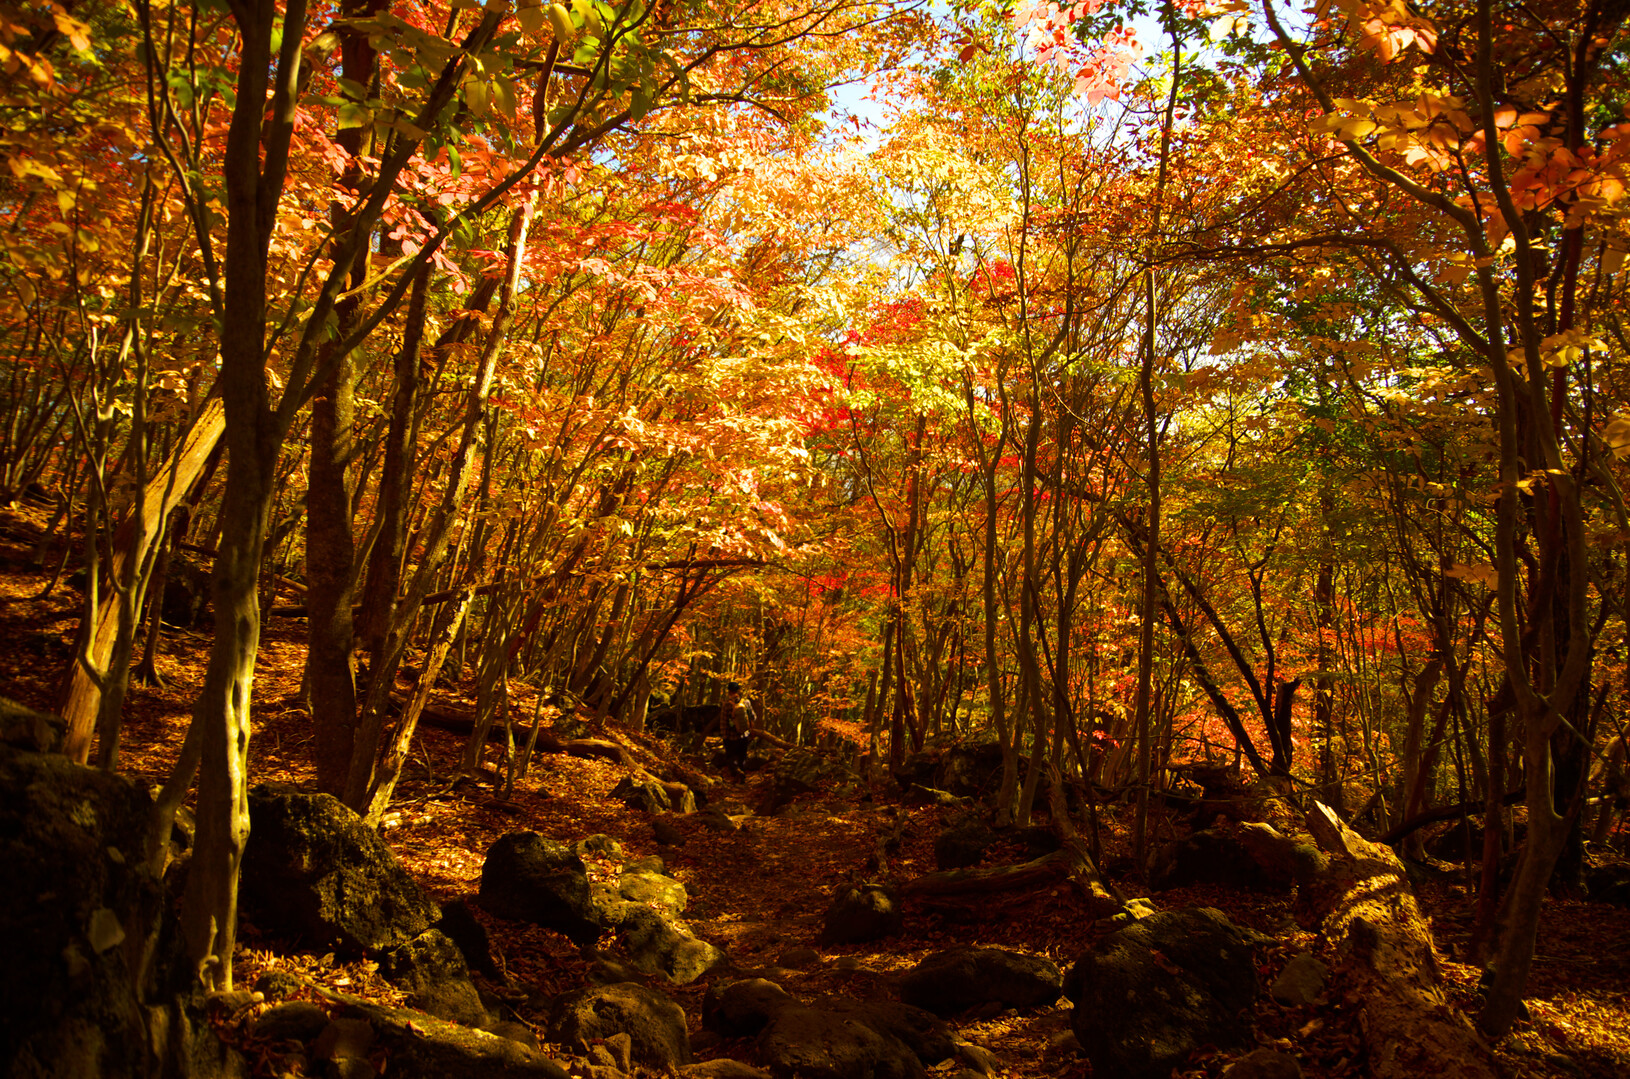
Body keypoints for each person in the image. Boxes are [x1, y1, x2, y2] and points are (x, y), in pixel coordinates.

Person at [720, 681, 754, 770]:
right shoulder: (746, 702)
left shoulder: (726, 704)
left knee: (731, 758)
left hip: (731, 737)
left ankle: (735, 775)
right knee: (742, 757)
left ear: (729, 691)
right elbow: (753, 717)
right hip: (744, 735)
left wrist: (724, 736)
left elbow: (723, 722)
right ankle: (742, 777)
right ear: (738, 690)